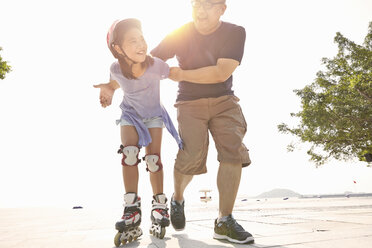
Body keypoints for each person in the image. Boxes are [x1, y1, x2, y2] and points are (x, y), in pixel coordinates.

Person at [151, 0, 254, 244]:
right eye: (197, 3)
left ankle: (224, 221)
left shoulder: (235, 32)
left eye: (209, 4)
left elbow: (221, 72)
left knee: (233, 151)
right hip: (189, 103)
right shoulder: (180, 33)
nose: (201, 9)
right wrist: (115, 81)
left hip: (224, 101)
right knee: (191, 155)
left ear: (222, 9)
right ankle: (177, 198)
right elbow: (150, 60)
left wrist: (180, 74)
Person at [93, 18, 182, 246]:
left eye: (141, 38)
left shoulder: (156, 65)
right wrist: (108, 90)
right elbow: (116, 83)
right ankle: (131, 208)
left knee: (153, 160)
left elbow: (175, 73)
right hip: (130, 115)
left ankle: (159, 204)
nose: (141, 44)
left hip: (153, 116)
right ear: (118, 49)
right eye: (133, 41)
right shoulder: (115, 68)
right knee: (129, 154)